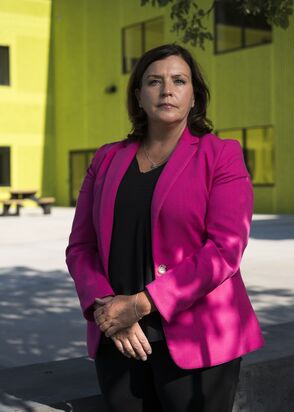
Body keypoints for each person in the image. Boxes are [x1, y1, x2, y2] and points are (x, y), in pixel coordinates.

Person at [65, 43, 264, 412]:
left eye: (179, 80)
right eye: (154, 81)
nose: (167, 89)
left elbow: (225, 250)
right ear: (139, 96)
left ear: (194, 97)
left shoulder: (221, 155)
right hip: (120, 339)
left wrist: (139, 305)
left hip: (200, 341)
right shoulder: (107, 158)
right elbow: (80, 247)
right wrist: (105, 308)